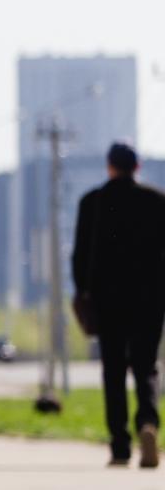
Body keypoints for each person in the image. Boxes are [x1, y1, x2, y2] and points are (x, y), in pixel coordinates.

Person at [72, 142, 165, 468]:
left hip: (107, 300)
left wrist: (82, 291)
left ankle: (120, 445)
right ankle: (148, 424)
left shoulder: (92, 203)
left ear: (110, 166)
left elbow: (80, 255)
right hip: (150, 299)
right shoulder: (157, 201)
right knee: (146, 367)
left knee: (113, 370)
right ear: (137, 167)